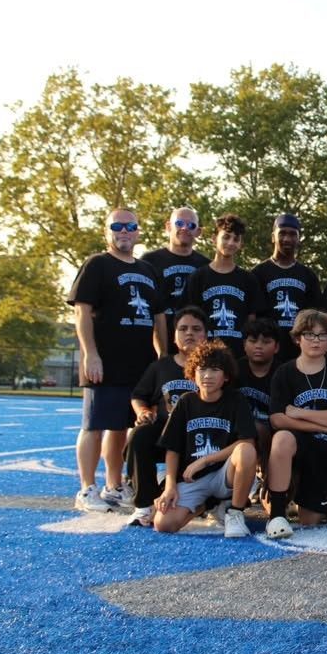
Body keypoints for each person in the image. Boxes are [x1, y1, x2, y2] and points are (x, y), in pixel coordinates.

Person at [68, 208, 165, 512]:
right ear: (106, 231)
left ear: (138, 232)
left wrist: (162, 358)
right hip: (106, 362)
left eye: (130, 226)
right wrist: (90, 354)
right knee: (95, 425)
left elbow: (159, 317)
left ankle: (113, 485)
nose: (124, 231)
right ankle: (87, 488)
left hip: (139, 364)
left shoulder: (148, 270)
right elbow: (81, 311)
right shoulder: (97, 264)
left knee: (121, 428)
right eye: (117, 226)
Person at [265, 309, 327, 538]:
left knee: (309, 522)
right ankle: (277, 514)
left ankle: (303, 495)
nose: (315, 340)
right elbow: (277, 419)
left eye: (321, 335)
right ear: (297, 338)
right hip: (298, 446)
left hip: (326, 451)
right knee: (282, 438)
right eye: (309, 335)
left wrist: (298, 412)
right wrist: (323, 426)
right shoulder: (284, 373)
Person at [153, 340, 258, 538]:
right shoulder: (185, 402)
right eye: (202, 370)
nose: (207, 376)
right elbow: (172, 449)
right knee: (164, 524)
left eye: (215, 370)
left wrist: (206, 459)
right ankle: (206, 504)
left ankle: (235, 512)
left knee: (246, 450)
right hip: (192, 478)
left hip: (223, 475)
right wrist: (169, 487)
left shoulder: (236, 400)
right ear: (193, 373)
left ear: (226, 376)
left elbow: (248, 442)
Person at [125, 306, 207, 527]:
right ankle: (144, 504)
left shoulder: (215, 366)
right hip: (164, 431)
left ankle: (214, 501)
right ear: (174, 335)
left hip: (201, 438)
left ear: (206, 335)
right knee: (139, 435)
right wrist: (142, 411)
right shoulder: (161, 366)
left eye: (196, 329)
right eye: (183, 329)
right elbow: (138, 395)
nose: (189, 333)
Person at [185, 214, 266, 358]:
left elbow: (251, 320)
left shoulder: (248, 279)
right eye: (226, 237)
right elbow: (190, 318)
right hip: (206, 355)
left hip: (238, 356)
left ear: (241, 244)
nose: (230, 243)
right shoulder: (198, 277)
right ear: (214, 238)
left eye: (236, 239)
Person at [251, 214, 323, 363]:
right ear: (273, 236)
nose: (287, 239)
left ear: (299, 238)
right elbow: (253, 319)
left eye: (292, 234)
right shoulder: (258, 274)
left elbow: (315, 318)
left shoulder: (308, 276)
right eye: (282, 233)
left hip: (298, 354)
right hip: (267, 355)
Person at [141, 206, 210, 354]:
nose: (185, 228)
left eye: (191, 225)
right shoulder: (149, 261)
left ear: (198, 231)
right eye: (179, 223)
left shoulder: (205, 265)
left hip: (194, 346)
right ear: (168, 227)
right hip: (156, 344)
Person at [236, 317, 282, 468]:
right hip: (237, 431)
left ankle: (266, 472)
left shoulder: (283, 374)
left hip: (272, 435)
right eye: (253, 341)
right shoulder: (234, 370)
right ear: (244, 345)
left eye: (266, 342)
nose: (258, 346)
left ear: (276, 347)